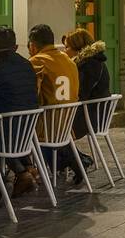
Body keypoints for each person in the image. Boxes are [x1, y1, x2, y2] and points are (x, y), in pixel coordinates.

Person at [0, 26, 41, 200]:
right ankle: (26, 168)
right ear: (15, 46)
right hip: (26, 133)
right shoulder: (27, 65)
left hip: (2, 133)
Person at [28, 23, 86, 186]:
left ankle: (25, 174)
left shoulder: (37, 61)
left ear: (32, 45)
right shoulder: (69, 61)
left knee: (17, 130)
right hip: (67, 126)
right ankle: (75, 160)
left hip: (46, 126)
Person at [66, 29, 109, 168]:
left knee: (55, 129)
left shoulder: (89, 65)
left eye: (67, 47)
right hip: (96, 112)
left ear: (77, 48)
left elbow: (81, 93)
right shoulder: (94, 61)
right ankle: (76, 160)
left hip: (91, 115)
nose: (65, 50)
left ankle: (77, 161)